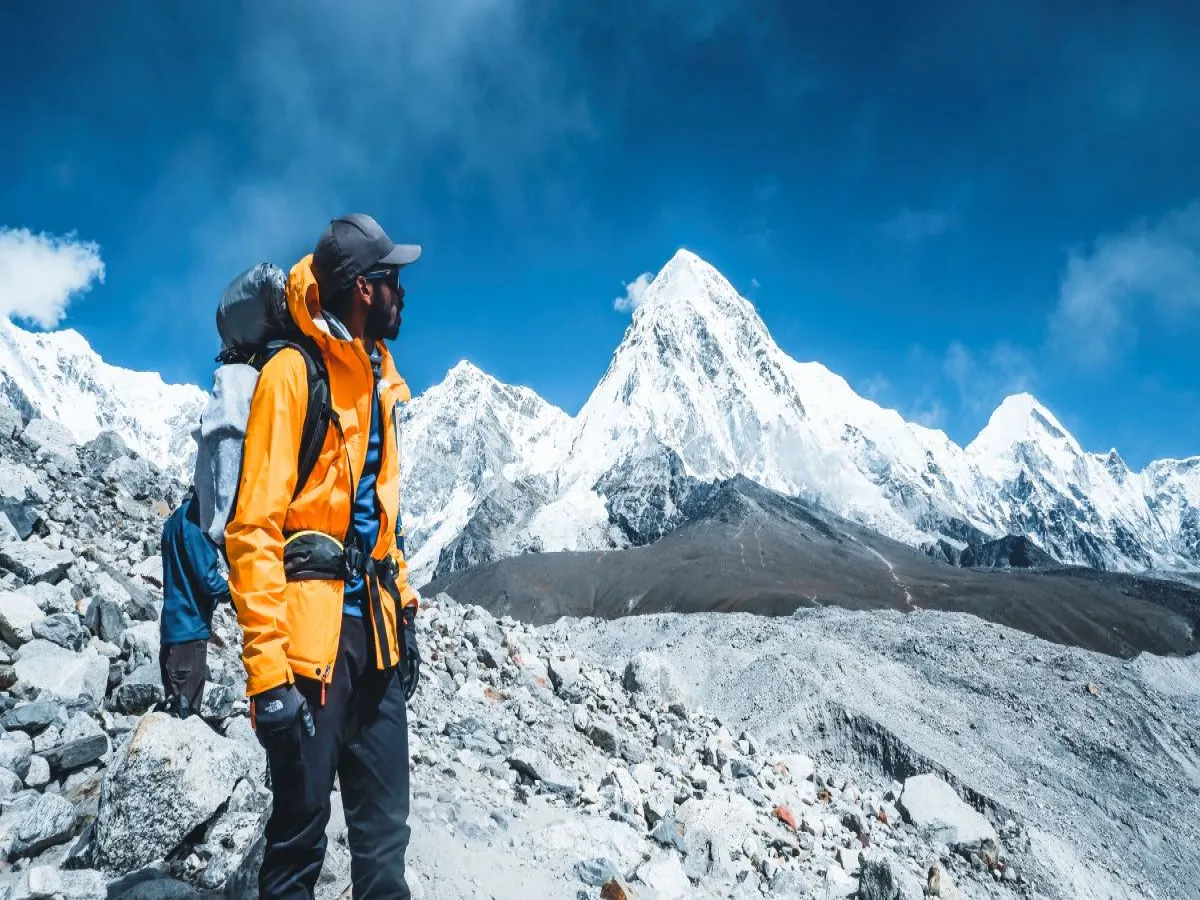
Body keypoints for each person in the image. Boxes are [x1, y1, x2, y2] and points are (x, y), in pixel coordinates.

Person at [225, 213, 422, 900]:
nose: (404, 292)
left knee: (385, 835)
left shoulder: (379, 381)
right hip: (309, 650)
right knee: (299, 836)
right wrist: (266, 679)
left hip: (378, 645)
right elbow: (252, 527)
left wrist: (408, 616)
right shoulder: (292, 373)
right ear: (364, 289)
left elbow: (381, 525)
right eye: (394, 279)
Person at [159, 487, 231, 719]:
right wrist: (235, 591)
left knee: (174, 715)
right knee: (187, 719)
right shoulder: (194, 522)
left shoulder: (171, 523)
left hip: (171, 633)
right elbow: (207, 579)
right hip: (190, 637)